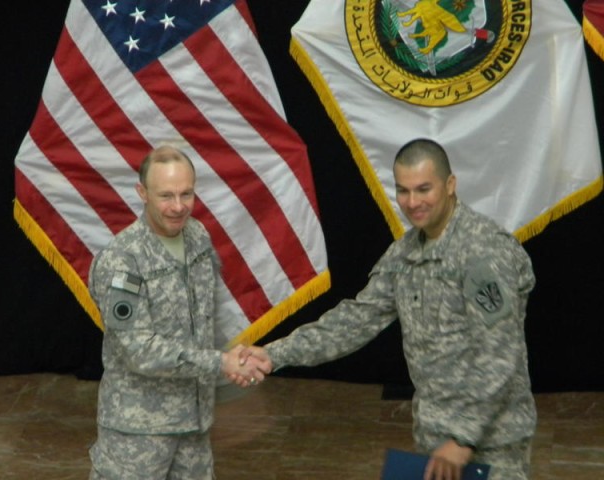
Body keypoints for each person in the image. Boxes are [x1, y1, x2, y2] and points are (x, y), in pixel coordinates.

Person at [238, 139, 537, 480]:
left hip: (491, 444)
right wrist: (274, 354)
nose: (413, 203)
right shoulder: (405, 254)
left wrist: (463, 439)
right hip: (436, 439)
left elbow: (500, 353)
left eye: (424, 189)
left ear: (450, 185)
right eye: (404, 191)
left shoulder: (484, 253)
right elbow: (355, 320)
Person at [88, 145, 267, 480]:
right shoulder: (123, 261)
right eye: (166, 196)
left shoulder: (198, 236)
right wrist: (220, 363)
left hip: (194, 424)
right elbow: (139, 350)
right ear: (142, 193)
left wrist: (235, 366)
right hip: (138, 432)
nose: (178, 207)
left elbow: (207, 318)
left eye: (187, 194)